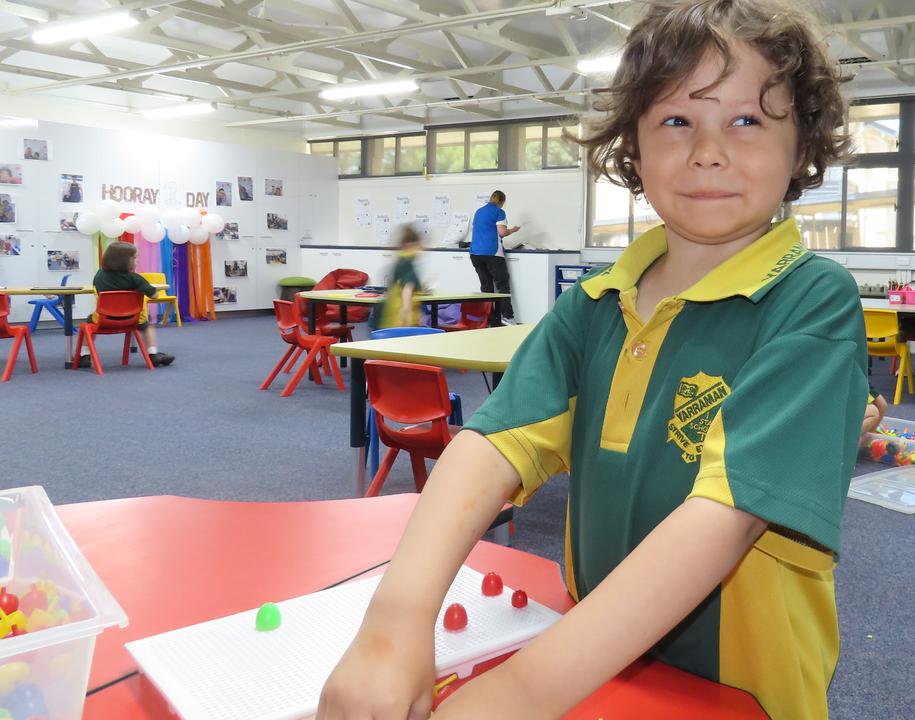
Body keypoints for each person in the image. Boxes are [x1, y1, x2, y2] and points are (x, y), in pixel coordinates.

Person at [318, 2, 864, 719]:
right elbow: (493, 444)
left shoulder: (813, 302)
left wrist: (518, 694)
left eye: (749, 120)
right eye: (676, 120)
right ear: (632, 148)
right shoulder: (598, 302)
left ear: (801, 149)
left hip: (740, 692)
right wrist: (394, 622)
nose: (708, 150)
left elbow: (726, 518)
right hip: (594, 665)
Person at [82, 241, 175, 367]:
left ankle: (84, 355)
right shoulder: (135, 279)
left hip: (104, 320)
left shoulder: (100, 275)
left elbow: (96, 289)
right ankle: (153, 354)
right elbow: (154, 295)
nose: (138, 260)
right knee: (148, 326)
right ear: (125, 261)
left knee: (88, 323)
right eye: (135, 258)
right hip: (131, 320)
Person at [469, 190, 520, 325]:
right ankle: (507, 317)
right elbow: (502, 232)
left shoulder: (479, 211)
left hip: (475, 254)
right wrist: (513, 230)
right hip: (492, 254)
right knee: (502, 286)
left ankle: (489, 318)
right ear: (502, 202)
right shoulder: (499, 212)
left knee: (486, 287)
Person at [373, 225, 426, 329]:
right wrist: (406, 309)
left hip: (391, 309)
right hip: (401, 312)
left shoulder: (399, 261)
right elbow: (407, 287)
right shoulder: (407, 263)